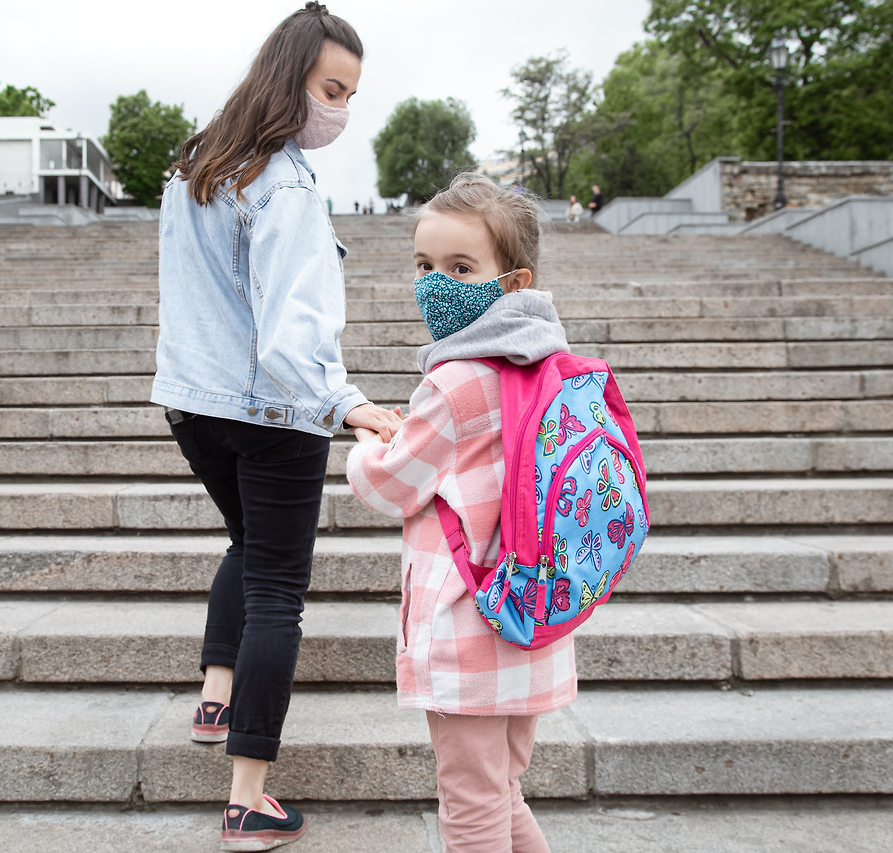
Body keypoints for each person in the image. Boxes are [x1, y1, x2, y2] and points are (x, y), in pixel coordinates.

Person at [151, 4, 402, 849]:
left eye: (350, 94)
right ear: (289, 78)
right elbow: (292, 334)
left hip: (195, 406)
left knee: (248, 545)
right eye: (332, 89)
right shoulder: (286, 184)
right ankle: (247, 798)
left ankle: (216, 696)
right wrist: (348, 403)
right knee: (276, 593)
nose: (340, 109)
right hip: (273, 412)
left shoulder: (196, 163)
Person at [346, 173, 575, 853]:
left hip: (469, 627)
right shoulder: (549, 368)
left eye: (461, 268)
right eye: (425, 265)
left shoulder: (453, 382)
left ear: (513, 280)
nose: (436, 283)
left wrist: (366, 444)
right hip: (533, 620)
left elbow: (389, 486)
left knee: (471, 806)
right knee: (501, 792)